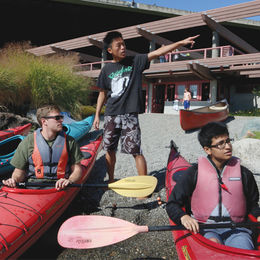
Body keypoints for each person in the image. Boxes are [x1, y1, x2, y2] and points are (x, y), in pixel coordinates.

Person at [93, 31, 199, 183]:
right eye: (119, 45)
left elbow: (157, 52)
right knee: (109, 149)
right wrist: (97, 115)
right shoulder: (106, 70)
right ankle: (110, 181)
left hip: (130, 114)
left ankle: (144, 185)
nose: (123, 47)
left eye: (124, 44)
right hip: (111, 114)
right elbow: (102, 94)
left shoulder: (135, 61)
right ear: (110, 50)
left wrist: (180, 43)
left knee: (136, 151)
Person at [166, 122, 260, 250]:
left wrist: (258, 214)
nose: (227, 146)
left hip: (237, 229)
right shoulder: (194, 173)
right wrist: (183, 216)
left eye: (228, 141)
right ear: (207, 149)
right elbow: (172, 204)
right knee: (214, 245)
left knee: (243, 248)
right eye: (221, 143)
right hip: (204, 228)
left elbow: (252, 204)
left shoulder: (244, 174)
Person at [2, 104, 83, 190]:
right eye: (57, 118)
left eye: (61, 117)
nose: (61, 120)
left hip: (60, 187)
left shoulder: (70, 141)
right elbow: (19, 172)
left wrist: (69, 180)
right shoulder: (28, 142)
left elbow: (77, 170)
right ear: (44, 121)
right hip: (33, 187)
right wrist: (14, 180)